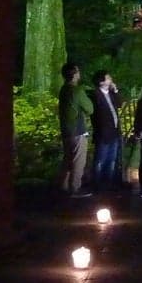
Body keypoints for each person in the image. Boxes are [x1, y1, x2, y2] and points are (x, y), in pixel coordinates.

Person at [57, 62, 94, 197]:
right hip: (77, 130)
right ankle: (75, 188)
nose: (79, 74)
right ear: (74, 74)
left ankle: (63, 186)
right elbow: (90, 108)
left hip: (66, 129)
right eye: (77, 71)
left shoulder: (64, 89)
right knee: (79, 161)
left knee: (68, 159)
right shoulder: (77, 90)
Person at [89, 70, 125, 193]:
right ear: (101, 81)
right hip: (103, 133)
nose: (111, 80)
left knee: (112, 160)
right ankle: (97, 184)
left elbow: (120, 104)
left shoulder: (110, 93)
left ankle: (108, 183)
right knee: (100, 160)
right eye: (108, 78)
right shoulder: (95, 95)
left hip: (114, 132)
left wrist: (115, 91)